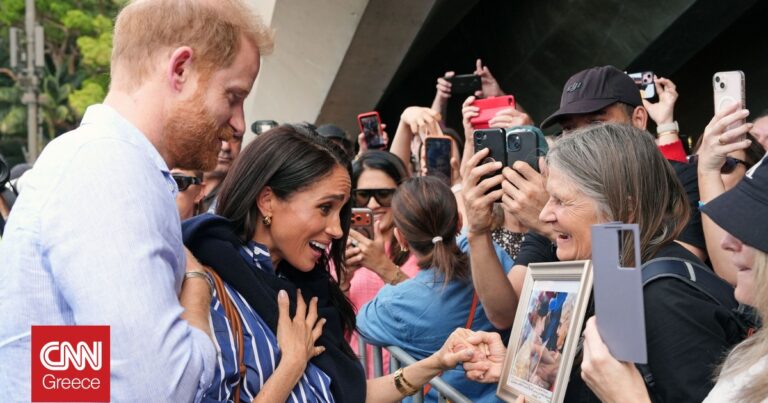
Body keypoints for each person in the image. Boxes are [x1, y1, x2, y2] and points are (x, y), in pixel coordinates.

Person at [0, 0, 272, 400]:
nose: (239, 123)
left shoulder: (97, 160)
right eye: (232, 95)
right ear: (180, 69)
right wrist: (196, 300)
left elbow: (61, 372)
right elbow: (160, 387)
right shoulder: (110, 168)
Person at [182, 124, 480, 402]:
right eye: (325, 208)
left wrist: (437, 362)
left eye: (341, 211)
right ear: (267, 201)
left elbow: (350, 395)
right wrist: (291, 365)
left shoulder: (306, 289)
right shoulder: (208, 290)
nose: (337, 230)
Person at [460, 123, 746, 402]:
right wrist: (521, 369)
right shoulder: (616, 273)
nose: (544, 215)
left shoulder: (663, 299)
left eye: (560, 200)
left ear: (625, 209)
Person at [577, 152, 768, 403]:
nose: (727, 242)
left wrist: (626, 397)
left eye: (749, 227)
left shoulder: (663, 295)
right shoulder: (752, 356)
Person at [357, 176, 513, 402]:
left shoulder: (394, 303)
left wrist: (387, 270)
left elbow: (362, 323)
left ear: (400, 237)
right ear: (458, 222)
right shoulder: (490, 255)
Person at [342, 150, 419, 376]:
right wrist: (342, 282)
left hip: (412, 384)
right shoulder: (338, 245)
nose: (374, 204)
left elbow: (428, 308)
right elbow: (337, 324)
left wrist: (382, 266)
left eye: (384, 194)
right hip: (360, 379)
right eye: (363, 196)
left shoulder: (420, 246)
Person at [693, 103, 765, 284]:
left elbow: (731, 272)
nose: (702, 176)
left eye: (725, 165)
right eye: (696, 164)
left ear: (751, 173)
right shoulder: (681, 222)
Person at [200, 129, 245, 212]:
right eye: (217, 135)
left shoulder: (246, 196)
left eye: (235, 137)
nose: (225, 146)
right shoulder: (174, 183)